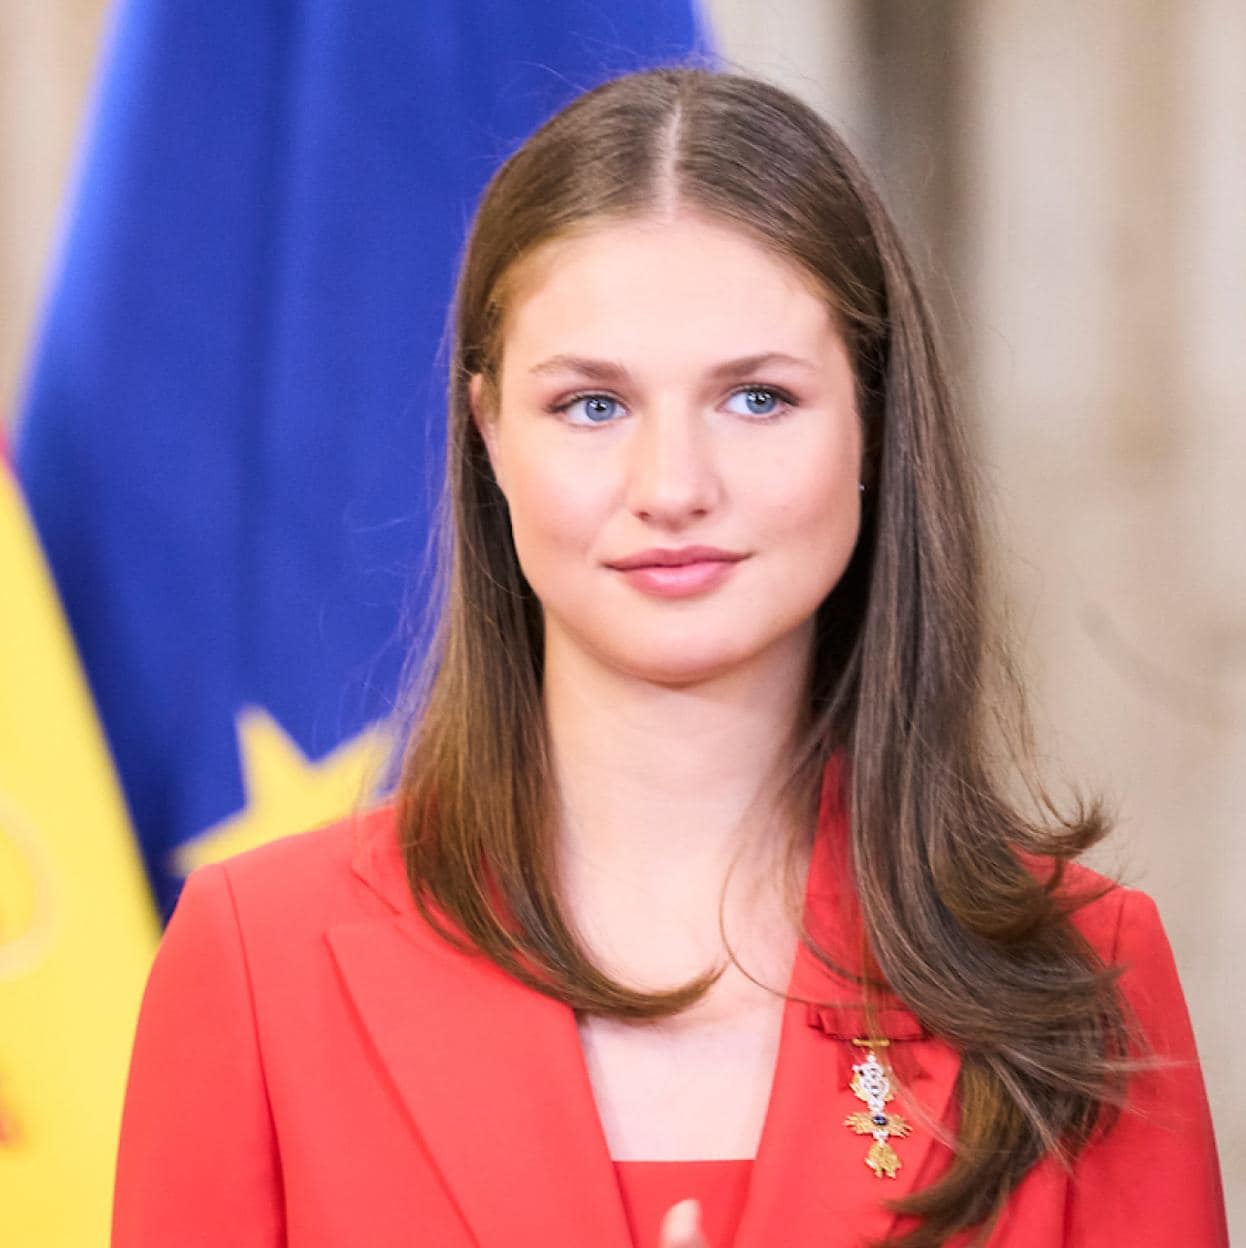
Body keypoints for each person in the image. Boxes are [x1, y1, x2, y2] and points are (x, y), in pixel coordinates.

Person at [111, 67, 1228, 1247]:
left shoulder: (1084, 971)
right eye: (592, 407)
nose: (673, 489)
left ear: (873, 421)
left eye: (755, 399)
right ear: (488, 432)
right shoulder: (257, 959)